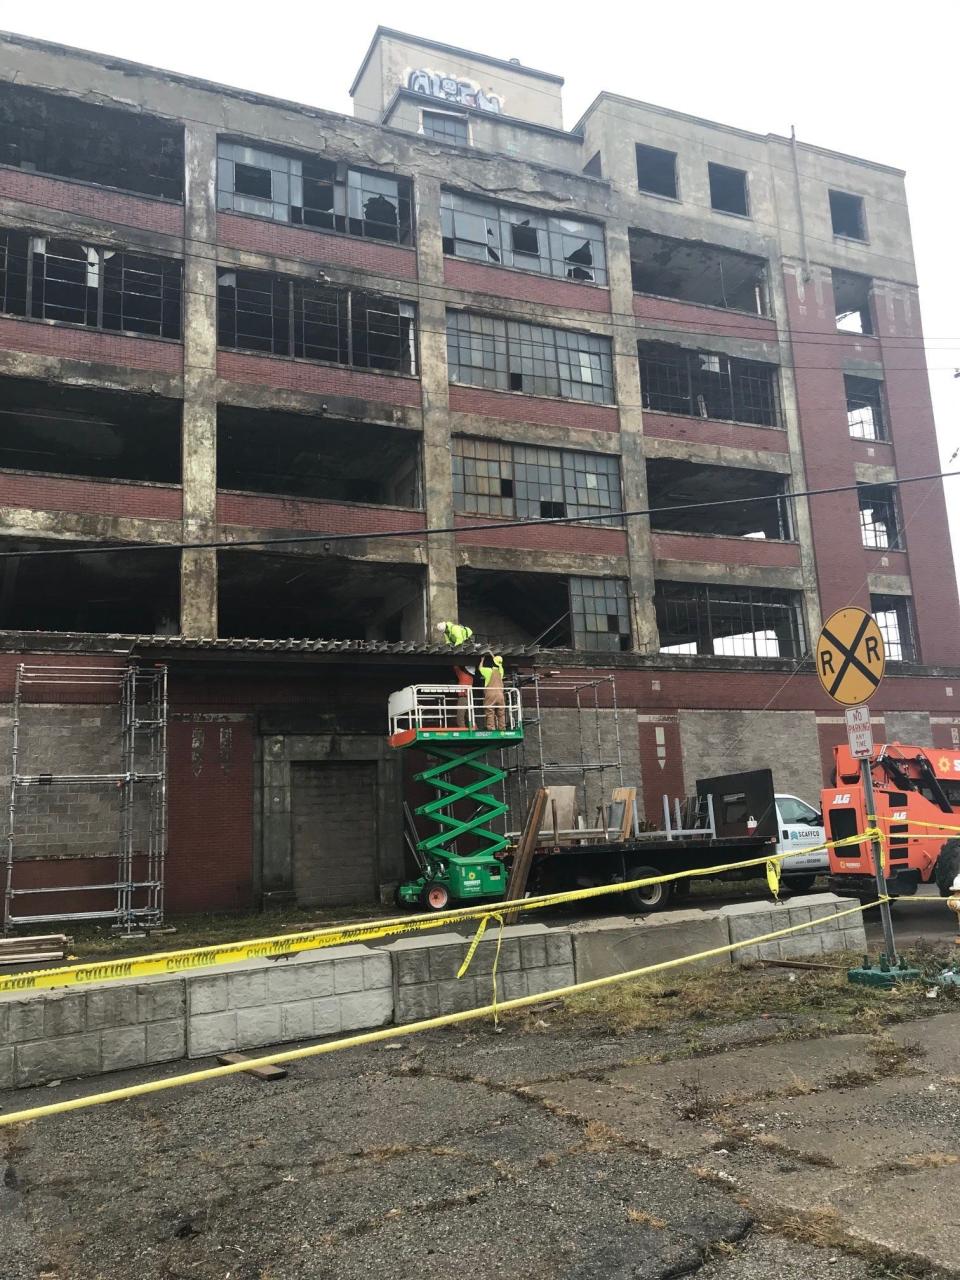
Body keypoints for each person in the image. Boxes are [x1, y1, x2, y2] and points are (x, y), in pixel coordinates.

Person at [478, 650, 506, 731]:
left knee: (490, 711)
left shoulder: (489, 671)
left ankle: (491, 728)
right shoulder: (501, 671)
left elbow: (480, 668)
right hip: (500, 695)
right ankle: (502, 728)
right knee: (501, 713)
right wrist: (492, 655)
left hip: (490, 694)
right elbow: (498, 664)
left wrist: (482, 660)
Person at [452, 663, 475, 728]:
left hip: (463, 698)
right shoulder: (471, 678)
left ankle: (462, 729)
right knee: (470, 715)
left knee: (460, 716)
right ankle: (474, 727)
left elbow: (456, 668)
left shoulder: (463, 675)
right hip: (469, 698)